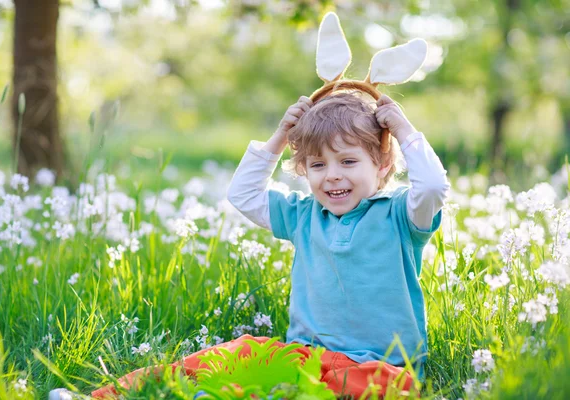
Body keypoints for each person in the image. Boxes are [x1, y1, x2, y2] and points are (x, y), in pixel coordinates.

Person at [50, 91, 449, 400]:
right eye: (317, 165)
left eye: (348, 162)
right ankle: (106, 396)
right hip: (305, 355)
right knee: (230, 356)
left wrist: (404, 131)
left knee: (374, 390)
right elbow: (243, 194)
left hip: (381, 367)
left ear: (381, 166)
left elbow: (432, 185)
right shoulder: (303, 214)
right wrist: (279, 138)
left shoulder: (401, 215)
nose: (332, 176)